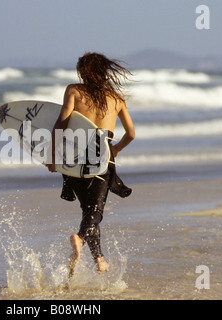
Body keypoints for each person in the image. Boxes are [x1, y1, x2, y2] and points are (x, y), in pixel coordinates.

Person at [46, 52, 135, 275]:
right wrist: (114, 149)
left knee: (88, 210)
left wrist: (52, 156)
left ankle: (99, 259)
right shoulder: (117, 98)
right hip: (101, 157)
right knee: (95, 211)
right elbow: (131, 134)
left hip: (73, 156)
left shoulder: (73, 91)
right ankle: (80, 238)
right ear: (104, 71)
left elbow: (62, 123)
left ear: (83, 72)